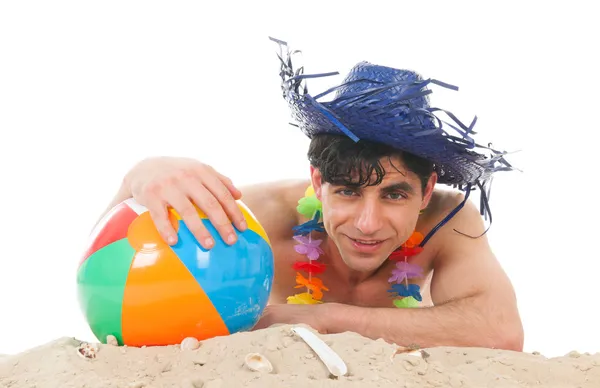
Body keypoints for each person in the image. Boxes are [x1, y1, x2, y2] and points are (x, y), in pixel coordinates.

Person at [95, 38, 524, 351]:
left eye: (394, 195)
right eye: (348, 191)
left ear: (428, 189)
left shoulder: (449, 221)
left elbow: (501, 332)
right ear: (317, 183)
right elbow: (112, 275)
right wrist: (138, 174)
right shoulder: (255, 217)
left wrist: (324, 317)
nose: (367, 223)